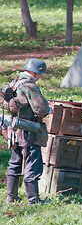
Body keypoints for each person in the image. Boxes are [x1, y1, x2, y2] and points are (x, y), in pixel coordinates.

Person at [0, 58, 50, 205]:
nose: (41, 77)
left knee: (15, 161)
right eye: (40, 74)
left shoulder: (14, 83)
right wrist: (48, 110)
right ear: (35, 72)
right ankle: (33, 200)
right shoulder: (30, 86)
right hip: (29, 130)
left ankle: (11, 196)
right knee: (33, 163)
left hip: (15, 129)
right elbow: (41, 109)